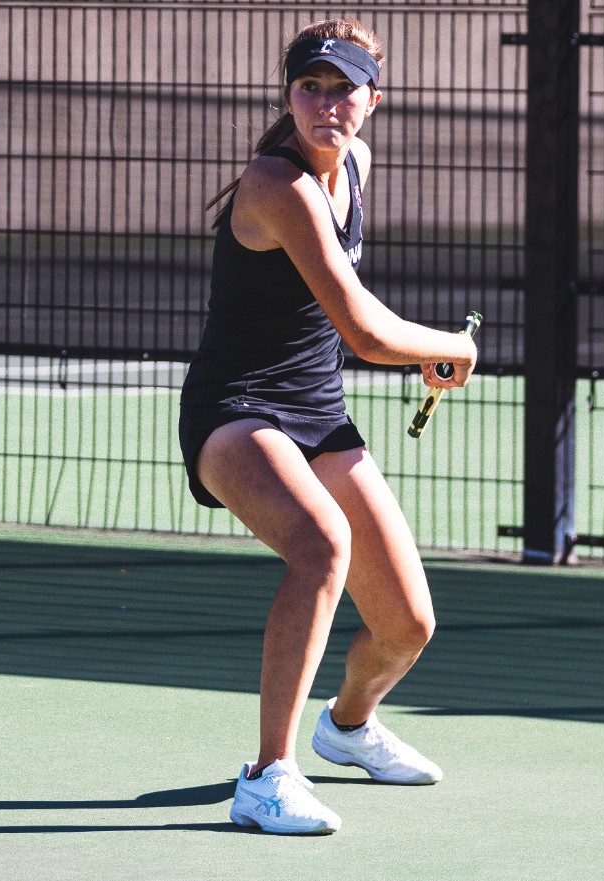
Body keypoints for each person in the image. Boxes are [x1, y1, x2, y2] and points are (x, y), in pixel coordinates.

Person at [178, 19, 477, 836]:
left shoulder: (356, 165)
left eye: (344, 89)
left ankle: (345, 727)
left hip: (317, 412)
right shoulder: (276, 185)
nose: (326, 104)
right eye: (310, 87)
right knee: (320, 544)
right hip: (235, 411)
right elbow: (368, 334)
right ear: (288, 97)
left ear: (372, 101)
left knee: (408, 625)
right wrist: (453, 345)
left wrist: (421, 346)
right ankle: (267, 776)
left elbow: (352, 315)